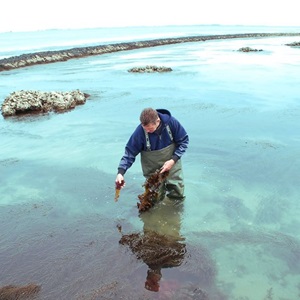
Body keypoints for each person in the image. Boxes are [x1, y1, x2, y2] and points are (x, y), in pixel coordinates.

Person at [115, 107, 189, 200]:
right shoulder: (140, 132)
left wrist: (173, 160)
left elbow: (184, 141)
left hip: (172, 163)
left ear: (158, 121)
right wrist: (120, 173)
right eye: (144, 128)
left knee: (177, 192)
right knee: (153, 197)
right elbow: (130, 153)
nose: (147, 131)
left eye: (150, 129)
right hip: (152, 169)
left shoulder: (171, 123)